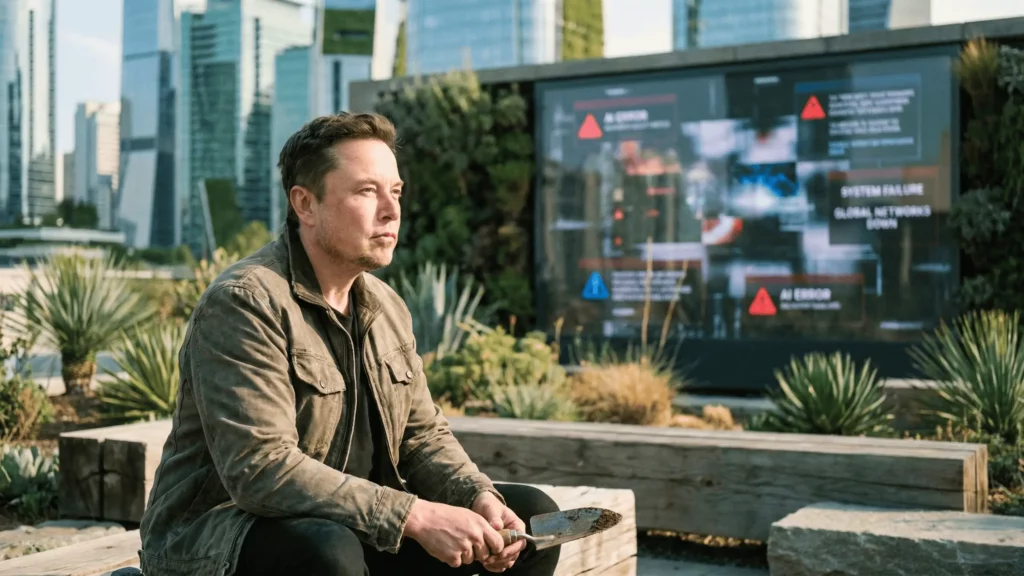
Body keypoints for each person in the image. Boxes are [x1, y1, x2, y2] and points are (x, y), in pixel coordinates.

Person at [138, 112, 562, 576]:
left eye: (395, 192)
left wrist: (477, 496)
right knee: (327, 550)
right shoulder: (245, 302)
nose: (391, 210)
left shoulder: (386, 306)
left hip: (356, 523)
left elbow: (421, 438)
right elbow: (260, 469)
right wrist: (415, 516)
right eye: (366, 191)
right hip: (221, 538)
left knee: (529, 518)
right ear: (305, 204)